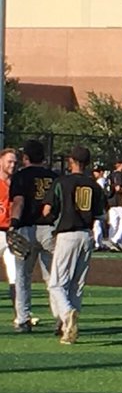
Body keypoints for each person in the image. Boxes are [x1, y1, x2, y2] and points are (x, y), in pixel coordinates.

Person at [44, 146, 106, 344]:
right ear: (87, 163)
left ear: (71, 160)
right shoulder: (94, 185)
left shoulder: (62, 182)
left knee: (56, 283)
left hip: (67, 234)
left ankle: (66, 315)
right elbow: (101, 214)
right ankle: (69, 330)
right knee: (77, 285)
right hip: (87, 234)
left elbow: (47, 210)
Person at [9, 140, 57, 332]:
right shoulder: (54, 176)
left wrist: (13, 224)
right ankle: (61, 317)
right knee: (53, 277)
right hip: (50, 229)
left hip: (27, 228)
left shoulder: (21, 176)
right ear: (43, 158)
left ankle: (23, 319)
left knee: (22, 276)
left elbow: (19, 202)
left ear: (26, 158)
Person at [0, 148, 21, 328]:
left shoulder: (17, 183)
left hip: (11, 233)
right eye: (9, 161)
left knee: (15, 276)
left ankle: (20, 316)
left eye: (15, 162)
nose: (12, 165)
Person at [105, 160, 122, 251]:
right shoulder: (118, 174)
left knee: (114, 222)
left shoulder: (110, 175)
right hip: (117, 201)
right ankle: (115, 239)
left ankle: (112, 243)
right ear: (120, 165)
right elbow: (117, 188)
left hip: (111, 201)